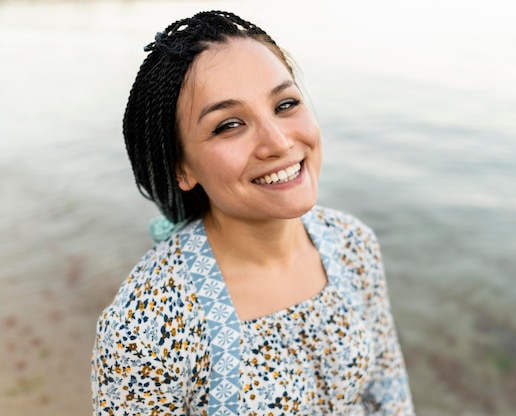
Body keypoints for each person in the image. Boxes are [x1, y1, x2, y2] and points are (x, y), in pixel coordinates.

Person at [91, 10, 415, 415]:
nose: (278, 142)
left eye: (285, 104)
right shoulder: (145, 327)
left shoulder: (353, 244)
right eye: (228, 125)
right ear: (182, 168)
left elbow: (390, 393)